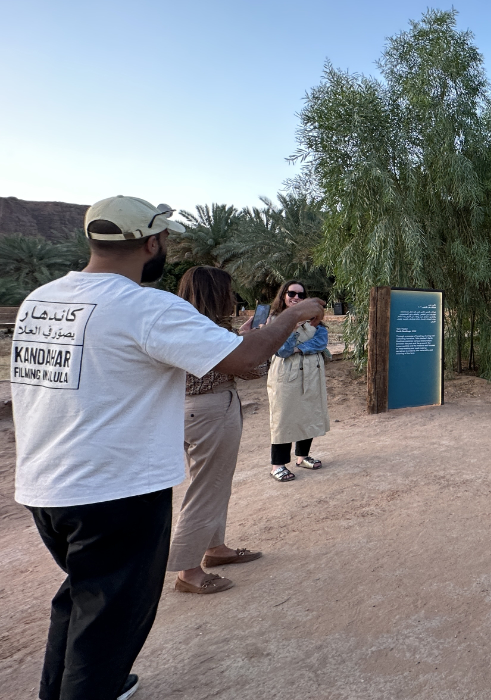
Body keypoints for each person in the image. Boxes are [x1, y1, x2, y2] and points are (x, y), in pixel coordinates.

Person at [11, 195, 325, 700]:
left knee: (83, 600)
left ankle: (78, 685)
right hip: (114, 490)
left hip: (46, 486)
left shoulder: (40, 300)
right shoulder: (145, 305)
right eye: (165, 240)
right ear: (152, 243)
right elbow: (245, 360)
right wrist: (296, 314)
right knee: (111, 624)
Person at [168, 266, 265, 594]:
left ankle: (215, 548)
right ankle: (188, 570)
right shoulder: (208, 332)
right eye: (228, 291)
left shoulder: (183, 326)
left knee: (211, 482)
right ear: (215, 294)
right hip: (211, 410)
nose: (233, 297)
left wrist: (242, 337)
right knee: (208, 487)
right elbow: (254, 369)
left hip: (192, 410)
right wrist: (254, 342)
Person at [266, 280, 330, 482]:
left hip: (311, 371)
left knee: (308, 412)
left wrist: (298, 348)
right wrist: (293, 329)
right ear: (283, 295)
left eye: (301, 295)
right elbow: (282, 351)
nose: (296, 298)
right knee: (284, 417)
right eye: (292, 293)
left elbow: (321, 340)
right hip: (287, 373)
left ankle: (302, 456)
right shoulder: (276, 319)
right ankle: (278, 465)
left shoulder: (314, 317)